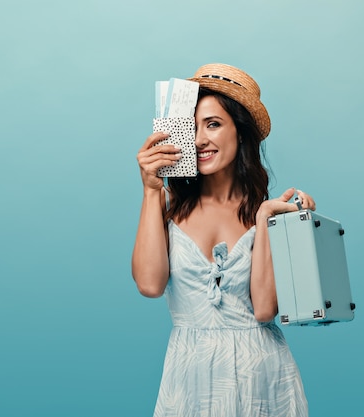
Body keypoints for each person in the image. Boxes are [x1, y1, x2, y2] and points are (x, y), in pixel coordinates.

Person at [133, 63, 314, 416]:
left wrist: (264, 220)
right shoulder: (168, 207)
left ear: (241, 133)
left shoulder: (268, 212)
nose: (200, 139)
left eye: (213, 124)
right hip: (189, 379)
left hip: (262, 377)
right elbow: (149, 285)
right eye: (193, 127)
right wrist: (150, 190)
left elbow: (264, 310)